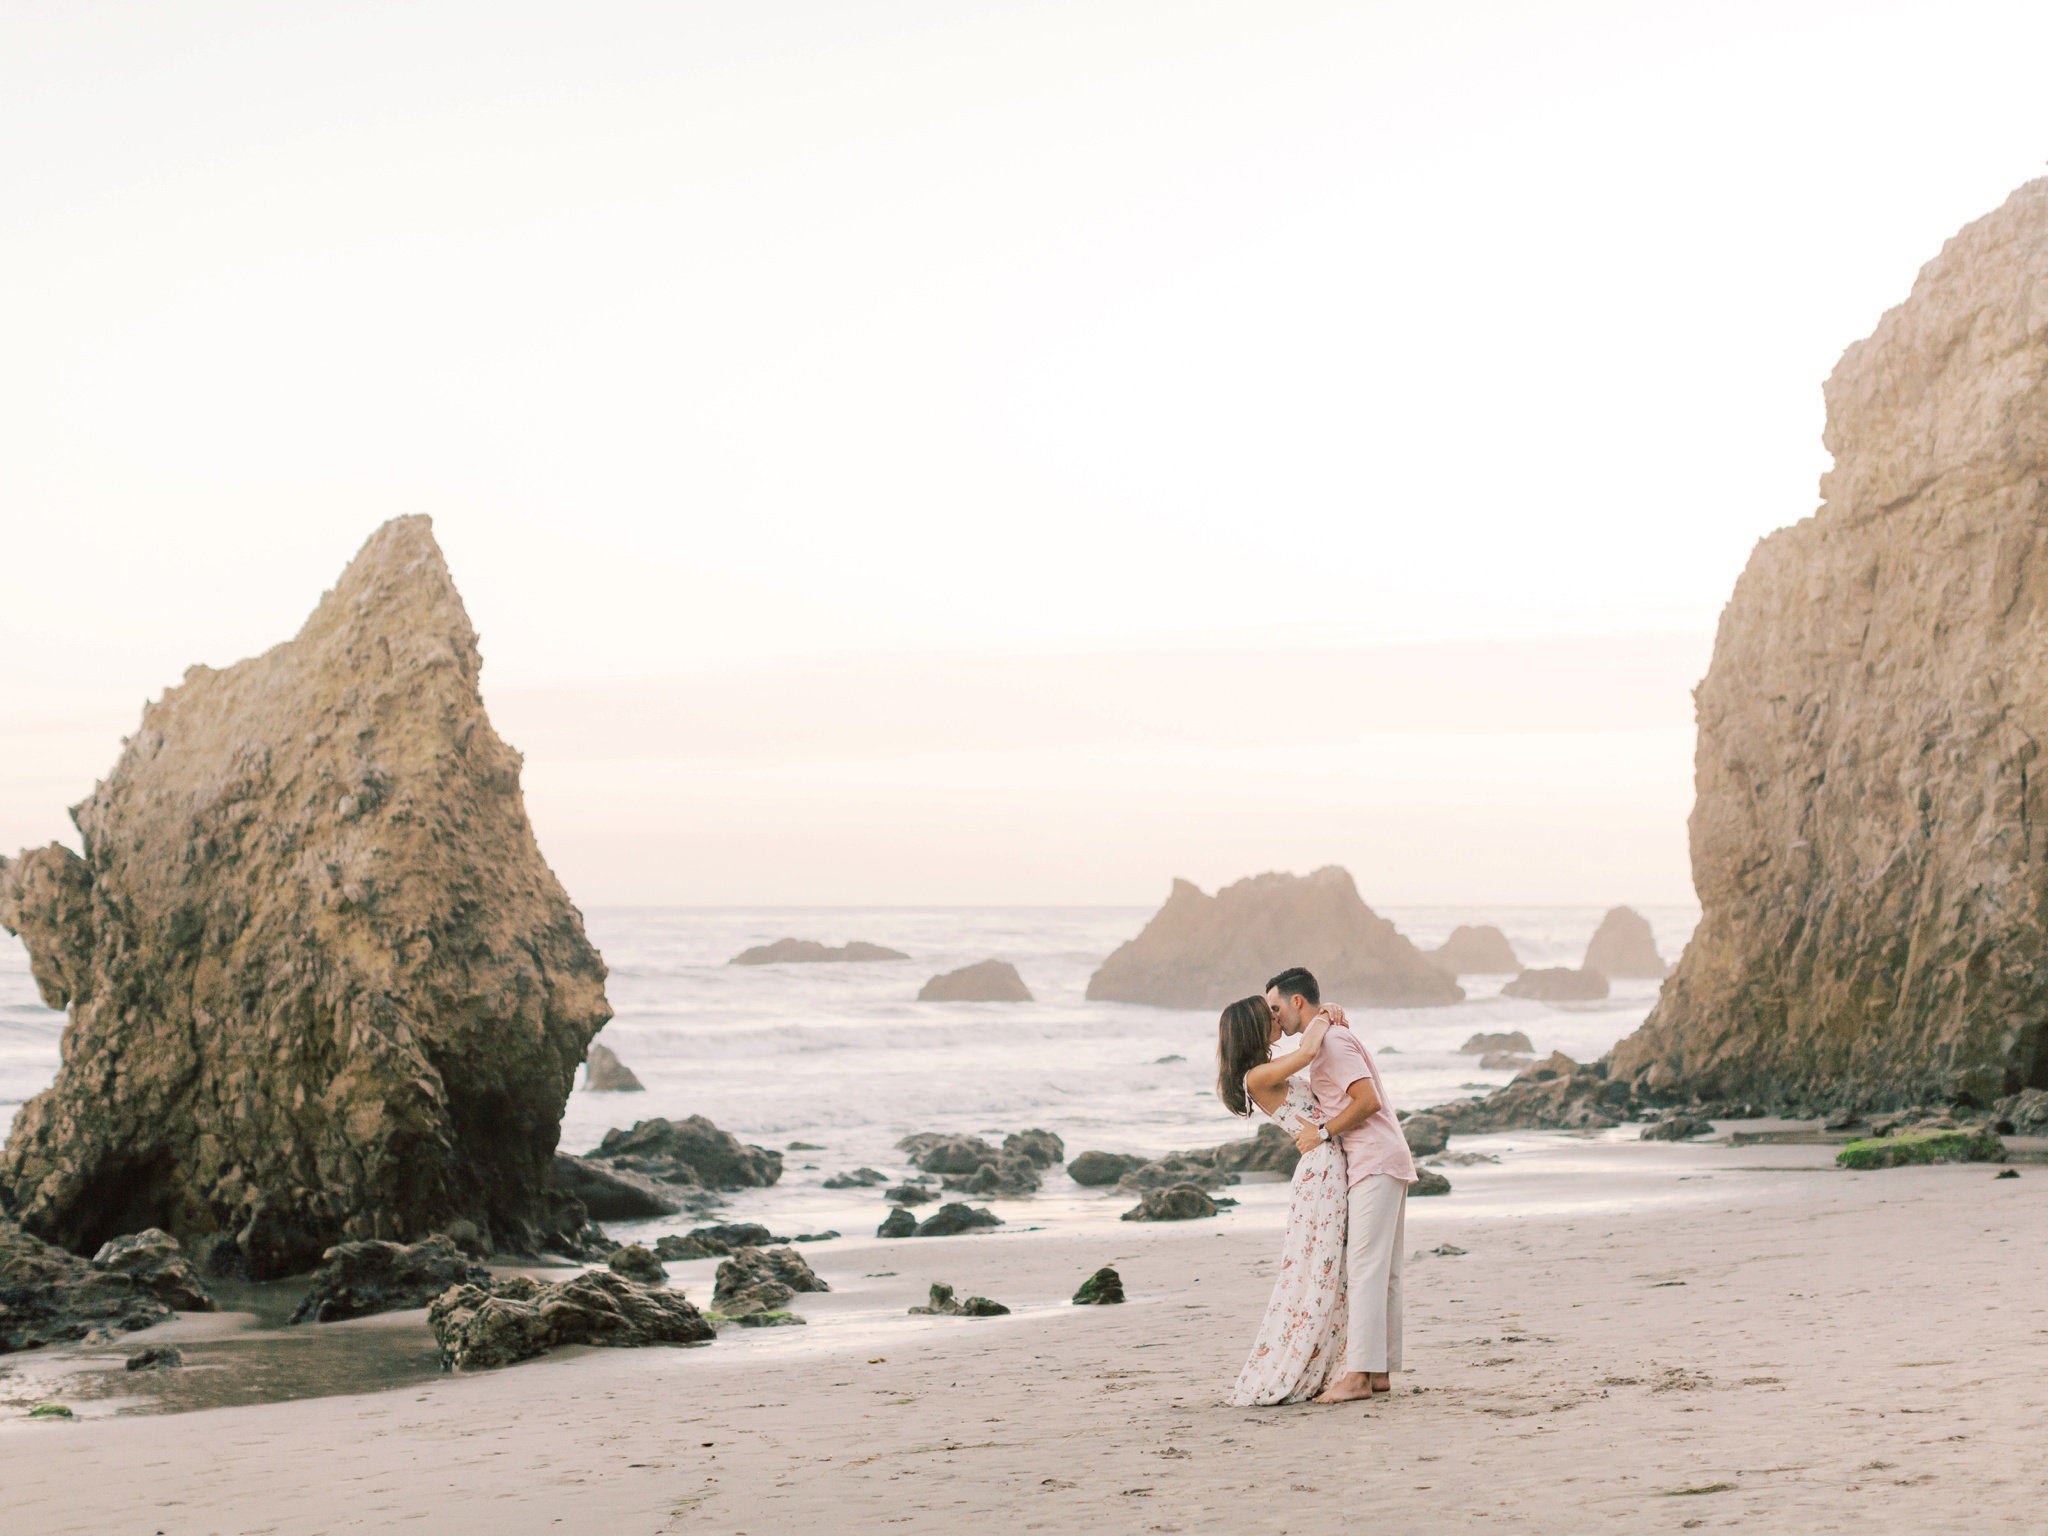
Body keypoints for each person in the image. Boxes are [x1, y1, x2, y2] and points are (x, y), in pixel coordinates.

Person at [1265, 965, 1415, 1404]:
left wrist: (1323, 1132)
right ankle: (1379, 1371)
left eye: (1276, 1008)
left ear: (1297, 1002)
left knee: (1367, 1269)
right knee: (1383, 1271)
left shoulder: (1330, 1040)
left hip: (1373, 1159)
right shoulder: (1327, 1038)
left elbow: (1367, 1100)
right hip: (1381, 1157)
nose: (1274, 1018)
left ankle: (1357, 1379)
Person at [1215, 996, 1350, 1405]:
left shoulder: (1266, 1069)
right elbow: (1309, 1051)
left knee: (1327, 1268)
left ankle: (1337, 1362)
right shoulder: (1256, 1077)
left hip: (1324, 1165)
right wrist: (1325, 1014)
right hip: (1321, 1167)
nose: (1276, 1018)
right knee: (1315, 1271)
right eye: (1268, 1015)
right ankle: (1305, 1362)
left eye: (1275, 1010)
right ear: (1253, 1029)